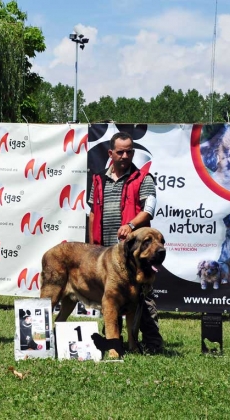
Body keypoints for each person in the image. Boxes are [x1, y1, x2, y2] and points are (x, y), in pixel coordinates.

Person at [88, 131, 164, 354]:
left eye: (129, 151)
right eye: (120, 152)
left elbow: (148, 210)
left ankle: (152, 345)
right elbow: (93, 212)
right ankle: (115, 344)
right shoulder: (99, 179)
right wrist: (93, 244)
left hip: (135, 253)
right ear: (111, 153)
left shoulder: (143, 178)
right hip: (107, 253)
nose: (125, 155)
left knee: (143, 300)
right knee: (110, 299)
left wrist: (130, 226)